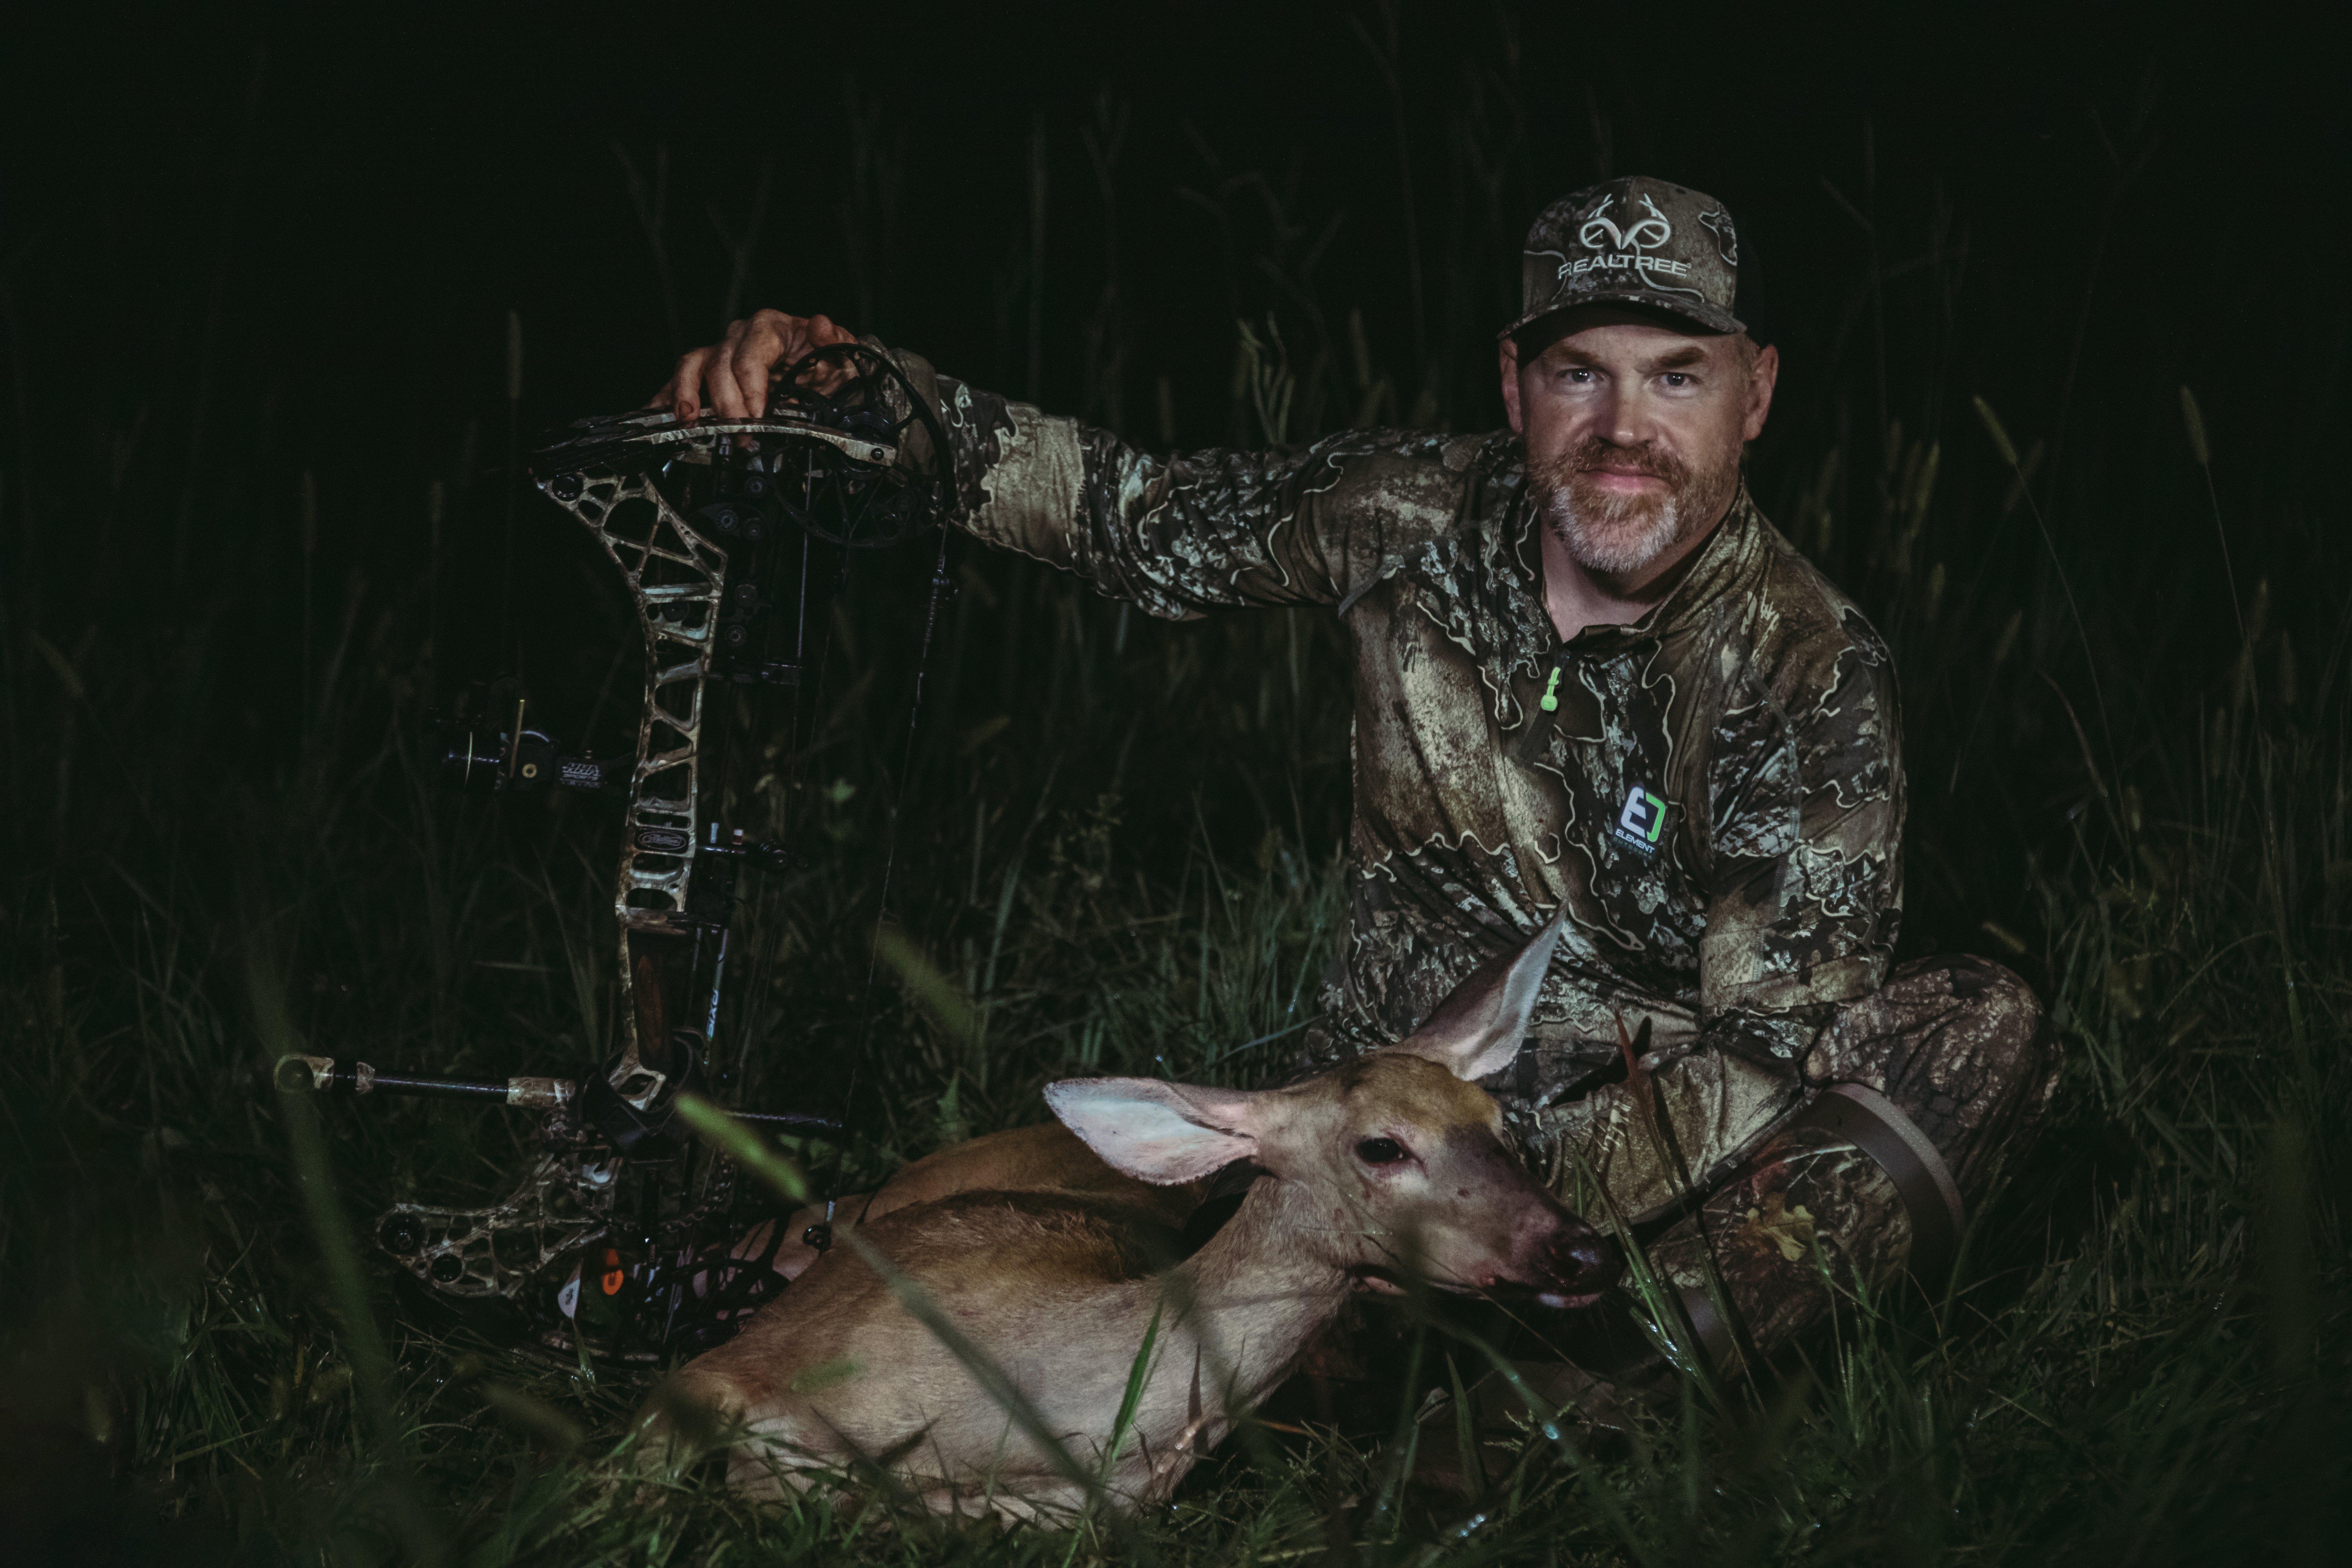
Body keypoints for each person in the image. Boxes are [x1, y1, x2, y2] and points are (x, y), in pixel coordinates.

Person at [656, 176, 2060, 1424]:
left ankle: (1554, 1401)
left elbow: (1764, 1049)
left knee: (1974, 1024)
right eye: (1582, 375)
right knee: (1042, 1205)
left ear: (1756, 394)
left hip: (1601, 1198)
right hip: (1356, 1163)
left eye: (1678, 378)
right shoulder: (1407, 514)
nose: (1626, 432)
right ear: (1516, 387)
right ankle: (1312, 1351)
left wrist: (1511, 1194)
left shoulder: (1807, 670)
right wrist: (872, 396)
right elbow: (1135, 515)